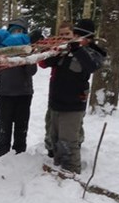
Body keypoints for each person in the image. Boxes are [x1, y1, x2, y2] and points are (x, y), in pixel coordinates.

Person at [38, 19, 106, 174]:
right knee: (55, 138)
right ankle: (59, 165)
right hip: (56, 101)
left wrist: (76, 49)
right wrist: (45, 47)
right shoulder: (66, 49)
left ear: (87, 38)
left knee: (68, 140)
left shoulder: (93, 52)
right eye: (74, 35)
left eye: (78, 35)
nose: (73, 38)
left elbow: (91, 66)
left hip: (73, 104)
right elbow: (46, 62)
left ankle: (72, 170)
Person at [0, 17, 37, 159]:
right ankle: (2, 151)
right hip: (5, 93)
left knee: (21, 125)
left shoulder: (28, 50)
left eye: (20, 31)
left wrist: (26, 58)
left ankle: (19, 151)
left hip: (24, 93)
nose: (17, 34)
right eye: (14, 31)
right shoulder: (2, 52)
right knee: (4, 125)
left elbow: (32, 72)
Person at [43, 22, 74, 158]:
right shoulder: (57, 48)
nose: (64, 37)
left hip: (73, 93)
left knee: (72, 123)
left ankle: (75, 145)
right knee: (51, 119)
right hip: (55, 89)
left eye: (67, 34)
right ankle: (51, 146)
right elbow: (43, 63)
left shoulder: (78, 49)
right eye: (62, 34)